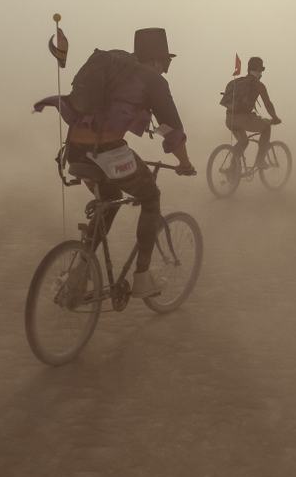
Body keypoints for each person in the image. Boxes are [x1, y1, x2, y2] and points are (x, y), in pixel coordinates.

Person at [60, 28, 195, 299]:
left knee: (109, 197)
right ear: (157, 61)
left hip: (75, 151)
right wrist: (184, 162)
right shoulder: (152, 79)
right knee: (150, 195)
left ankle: (79, 272)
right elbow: (171, 129)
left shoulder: (115, 72)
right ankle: (142, 278)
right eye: (165, 64)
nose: (165, 70)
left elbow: (152, 125)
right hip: (107, 152)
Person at [224, 56, 281, 168]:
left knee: (243, 141)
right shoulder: (258, 85)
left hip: (229, 119)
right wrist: (275, 118)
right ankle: (260, 160)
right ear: (259, 69)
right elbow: (267, 104)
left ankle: (232, 170)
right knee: (266, 128)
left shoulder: (236, 82)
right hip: (243, 119)